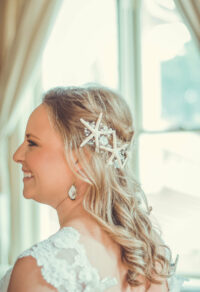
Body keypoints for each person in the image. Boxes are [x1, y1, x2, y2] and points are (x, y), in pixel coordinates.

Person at [0, 85, 186, 292]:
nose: (17, 155)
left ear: (81, 160)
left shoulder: (40, 268)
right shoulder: (152, 254)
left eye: (32, 143)